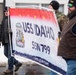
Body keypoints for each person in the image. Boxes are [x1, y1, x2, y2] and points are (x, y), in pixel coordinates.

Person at [49, 1, 69, 75]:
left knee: (58, 60)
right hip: (51, 42)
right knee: (52, 60)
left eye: (50, 6)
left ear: (54, 7)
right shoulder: (49, 15)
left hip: (59, 42)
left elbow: (65, 30)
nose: (49, 8)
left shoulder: (61, 17)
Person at [1, 7, 22, 74]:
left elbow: (17, 29)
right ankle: (16, 63)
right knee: (5, 53)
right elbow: (1, 31)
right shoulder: (3, 20)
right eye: (5, 12)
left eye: (7, 11)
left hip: (11, 40)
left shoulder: (12, 20)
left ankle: (10, 69)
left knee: (10, 55)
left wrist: (12, 31)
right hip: (5, 40)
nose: (6, 12)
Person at [58, 0, 76, 75]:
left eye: (71, 6)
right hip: (68, 57)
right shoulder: (72, 19)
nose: (68, 8)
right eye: (68, 6)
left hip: (73, 58)